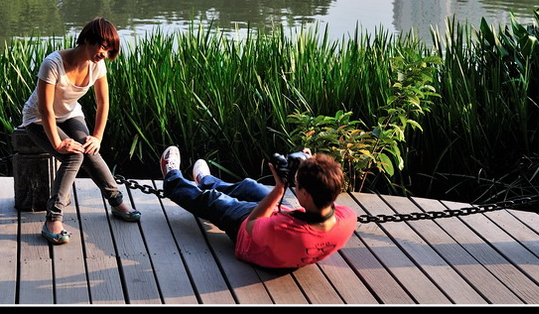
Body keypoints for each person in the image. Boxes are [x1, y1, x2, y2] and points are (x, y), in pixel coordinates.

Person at [20, 17, 141, 245]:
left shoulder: (97, 65)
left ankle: (116, 201)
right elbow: (45, 108)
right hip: (38, 119)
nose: (104, 53)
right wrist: (57, 143)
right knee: (73, 155)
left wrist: (97, 137)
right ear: (87, 39)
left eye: (109, 49)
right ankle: (53, 219)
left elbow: (103, 103)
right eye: (102, 46)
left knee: (88, 147)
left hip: (70, 114)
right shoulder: (52, 64)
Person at [160, 146, 357, 269]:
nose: (294, 186)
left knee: (213, 200)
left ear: (305, 195)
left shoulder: (283, 231)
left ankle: (172, 179)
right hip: (286, 223)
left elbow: (252, 223)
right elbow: (324, 191)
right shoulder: (347, 218)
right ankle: (205, 180)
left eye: (297, 185)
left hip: (250, 238)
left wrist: (280, 188)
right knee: (249, 186)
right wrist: (311, 165)